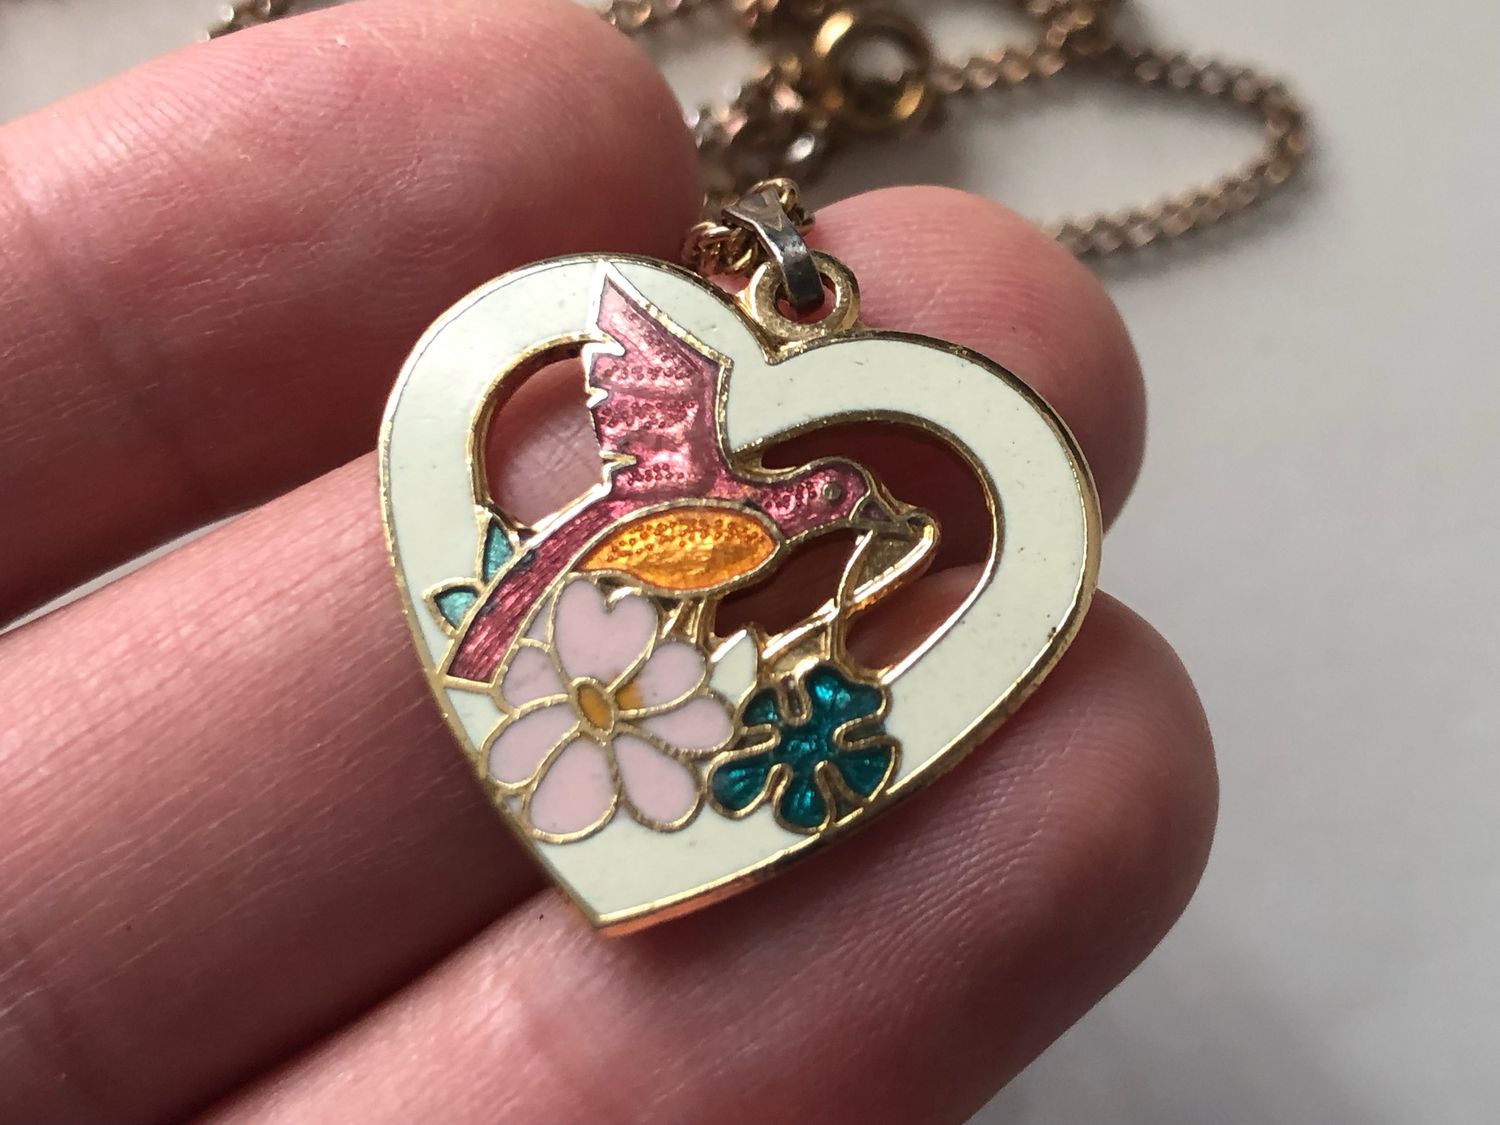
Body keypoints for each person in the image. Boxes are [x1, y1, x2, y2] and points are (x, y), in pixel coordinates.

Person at [0, 1, 1217, 1120]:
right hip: (594, 572)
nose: (835, 516)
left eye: (836, 509)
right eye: (836, 504)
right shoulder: (710, 468)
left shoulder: (770, 532)